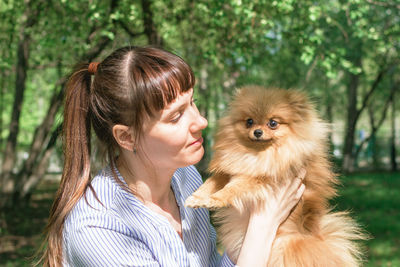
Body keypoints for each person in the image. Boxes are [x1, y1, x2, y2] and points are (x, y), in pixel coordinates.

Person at [39, 46, 305, 266]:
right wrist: (263, 222)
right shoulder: (99, 230)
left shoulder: (184, 177)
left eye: (193, 102)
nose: (201, 120)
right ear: (127, 137)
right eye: (176, 117)